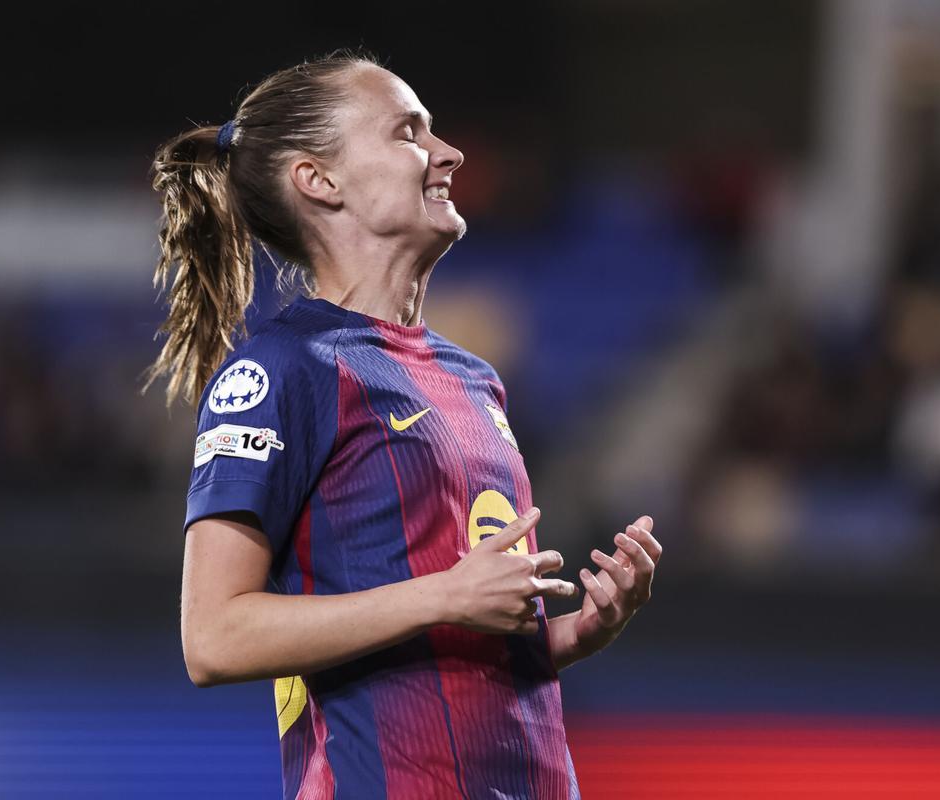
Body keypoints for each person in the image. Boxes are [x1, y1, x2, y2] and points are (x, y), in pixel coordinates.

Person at [146, 49, 662, 800]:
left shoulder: (473, 379)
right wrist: (443, 596)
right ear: (318, 180)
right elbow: (213, 638)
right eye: (409, 133)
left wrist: (568, 637)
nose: (448, 154)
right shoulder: (282, 372)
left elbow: (451, 641)